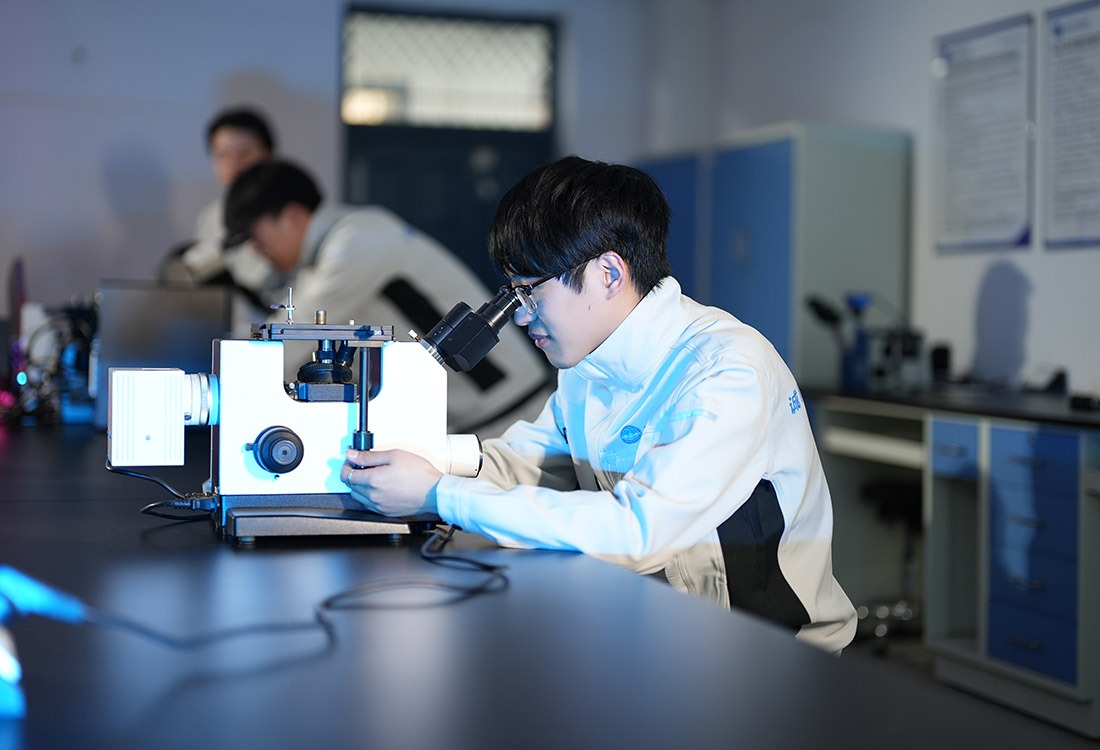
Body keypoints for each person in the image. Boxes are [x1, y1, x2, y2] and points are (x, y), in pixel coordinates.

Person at [340, 156, 857, 654]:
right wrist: (422, 458)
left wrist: (438, 494)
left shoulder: (728, 372)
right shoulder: (587, 367)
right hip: (662, 634)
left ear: (609, 273)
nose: (520, 317)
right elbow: (531, 462)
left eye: (530, 291)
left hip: (767, 654)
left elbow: (638, 531)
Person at [221, 158, 553, 437]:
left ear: (292, 217)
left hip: (509, 415)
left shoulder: (357, 241)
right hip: (475, 418)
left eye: (254, 235)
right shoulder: (336, 249)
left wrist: (227, 381)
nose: (255, 248)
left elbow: (297, 333)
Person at [159, 106, 278, 309]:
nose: (234, 164)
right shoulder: (211, 216)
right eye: (222, 155)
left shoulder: (286, 213)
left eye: (244, 153)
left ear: (268, 155)